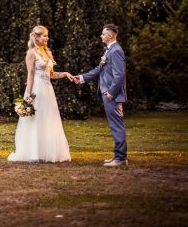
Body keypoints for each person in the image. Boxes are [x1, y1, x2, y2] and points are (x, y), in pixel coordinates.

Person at [8, 25, 73, 163]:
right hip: (36, 89)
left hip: (48, 90)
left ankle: (47, 152)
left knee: (48, 118)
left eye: (47, 35)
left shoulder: (47, 52)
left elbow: (51, 74)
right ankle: (34, 152)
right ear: (36, 37)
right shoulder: (31, 53)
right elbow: (30, 75)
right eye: (44, 35)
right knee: (36, 119)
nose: (47, 38)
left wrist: (65, 74)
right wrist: (28, 95)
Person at [72, 23, 128, 167]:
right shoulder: (108, 50)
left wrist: (111, 93)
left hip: (111, 95)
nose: (101, 36)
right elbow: (99, 70)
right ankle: (118, 156)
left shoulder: (116, 51)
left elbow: (120, 75)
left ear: (110, 35)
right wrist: (82, 77)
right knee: (115, 125)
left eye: (103, 34)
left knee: (117, 125)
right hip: (108, 94)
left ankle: (120, 158)